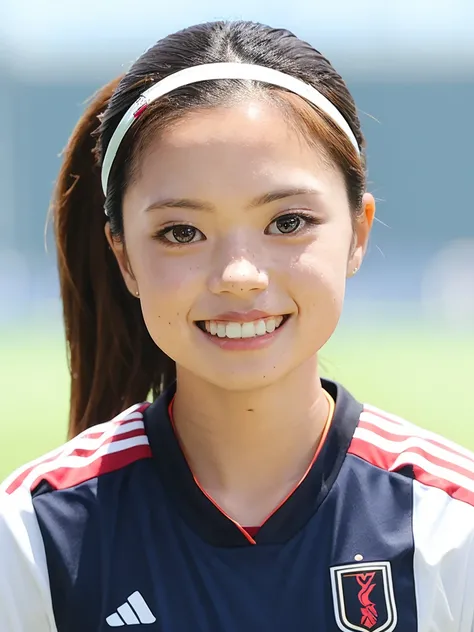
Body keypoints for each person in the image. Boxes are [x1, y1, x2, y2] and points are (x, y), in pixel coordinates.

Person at [1, 19, 473, 632]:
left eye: (287, 221)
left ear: (358, 232)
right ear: (125, 258)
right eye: (181, 233)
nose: (239, 275)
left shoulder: (450, 526)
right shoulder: (32, 538)